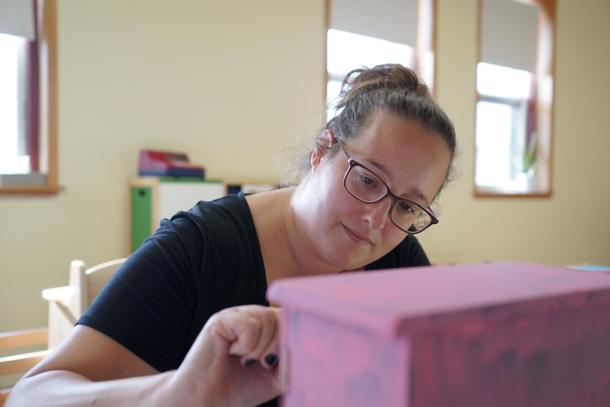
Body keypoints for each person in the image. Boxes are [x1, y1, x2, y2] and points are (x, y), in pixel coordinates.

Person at [8, 64, 456, 407]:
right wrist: (179, 394)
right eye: (366, 180)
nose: (377, 221)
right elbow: (32, 396)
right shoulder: (201, 248)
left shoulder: (400, 266)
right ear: (323, 150)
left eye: (405, 206)